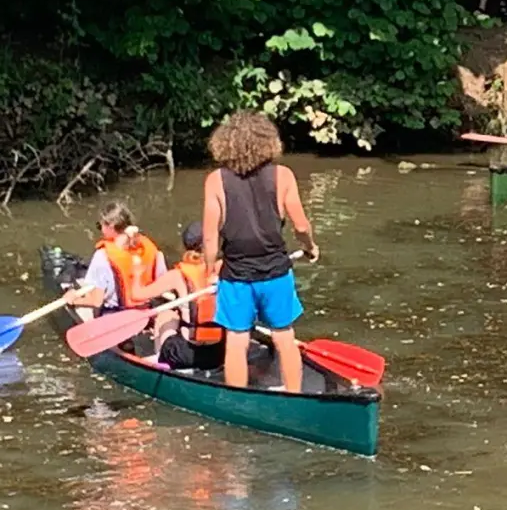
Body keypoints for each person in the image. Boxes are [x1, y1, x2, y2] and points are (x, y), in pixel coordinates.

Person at [202, 112, 320, 392]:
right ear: (268, 142)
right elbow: (301, 226)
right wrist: (310, 246)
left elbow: (209, 237)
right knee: (284, 336)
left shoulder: (215, 181)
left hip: (236, 275)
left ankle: (238, 399)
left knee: (237, 339)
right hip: (276, 272)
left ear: (225, 144)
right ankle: (294, 394)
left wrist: (209, 271)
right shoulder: (283, 176)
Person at [68, 203, 173, 333]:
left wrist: (74, 300)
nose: (100, 229)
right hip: (145, 313)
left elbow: (96, 301)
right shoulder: (149, 247)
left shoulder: (102, 256)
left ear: (110, 227)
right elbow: (163, 283)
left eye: (100, 225)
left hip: (116, 317)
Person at [146, 222, 225, 371]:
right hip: (218, 354)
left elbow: (137, 295)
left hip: (184, 355)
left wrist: (139, 272)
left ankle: (161, 361)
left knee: (166, 314)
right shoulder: (223, 268)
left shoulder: (177, 275)